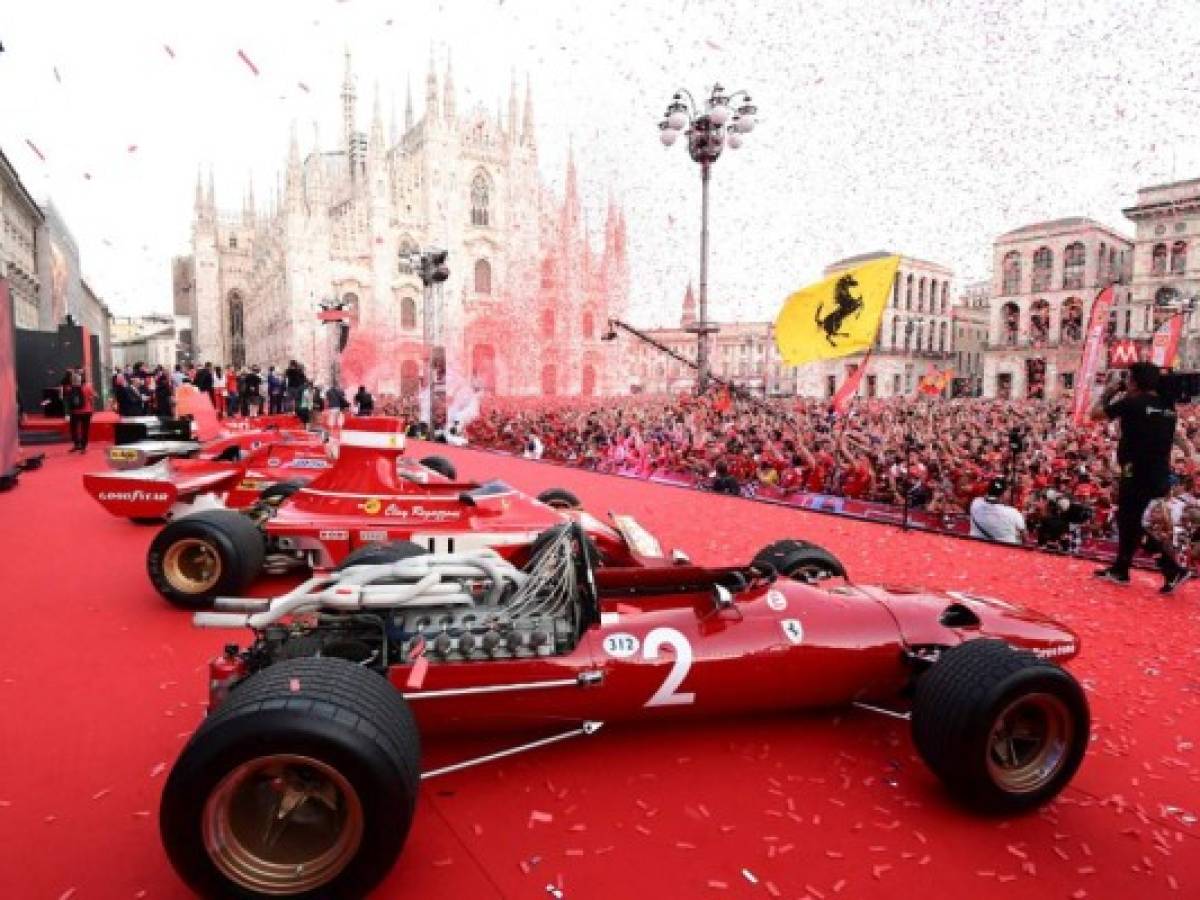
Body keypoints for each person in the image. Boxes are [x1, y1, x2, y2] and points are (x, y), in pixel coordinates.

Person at [1091, 363, 1185, 589]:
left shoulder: (1132, 403)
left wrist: (1109, 392)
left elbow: (1095, 415)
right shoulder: (1168, 406)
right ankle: (1121, 569)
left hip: (1136, 471)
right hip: (1159, 471)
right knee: (1128, 520)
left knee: (1130, 522)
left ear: (1135, 381)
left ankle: (1171, 568)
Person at [968, 476, 1027, 544]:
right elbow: (1024, 539)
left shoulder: (975, 503)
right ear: (1004, 494)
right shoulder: (1013, 513)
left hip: (976, 546)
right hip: (1005, 551)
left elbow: (986, 499)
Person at [64, 370, 96, 452]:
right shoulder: (88, 387)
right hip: (86, 411)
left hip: (74, 412)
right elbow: (93, 397)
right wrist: (92, 408)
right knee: (85, 430)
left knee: (73, 429)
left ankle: (76, 444)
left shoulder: (69, 388)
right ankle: (83, 447)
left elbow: (67, 400)